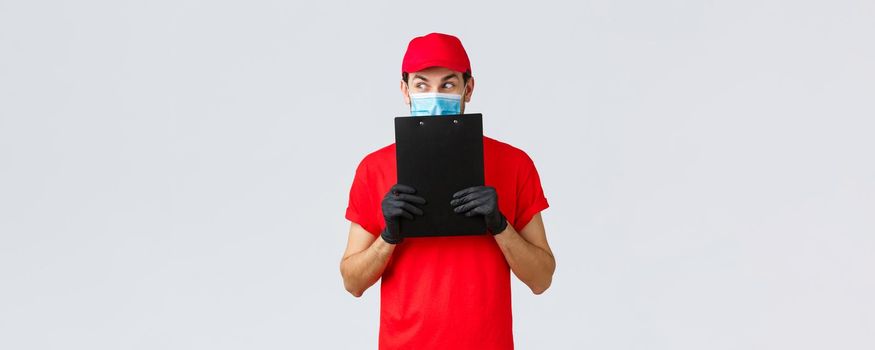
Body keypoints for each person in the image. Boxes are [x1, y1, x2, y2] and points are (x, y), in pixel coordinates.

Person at [339, 32, 555, 350]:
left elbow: (541, 279)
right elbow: (352, 282)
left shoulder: (514, 163)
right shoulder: (374, 168)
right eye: (422, 84)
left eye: (448, 85)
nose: (435, 95)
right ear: (405, 90)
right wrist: (388, 237)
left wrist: (500, 225)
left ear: (468, 89)